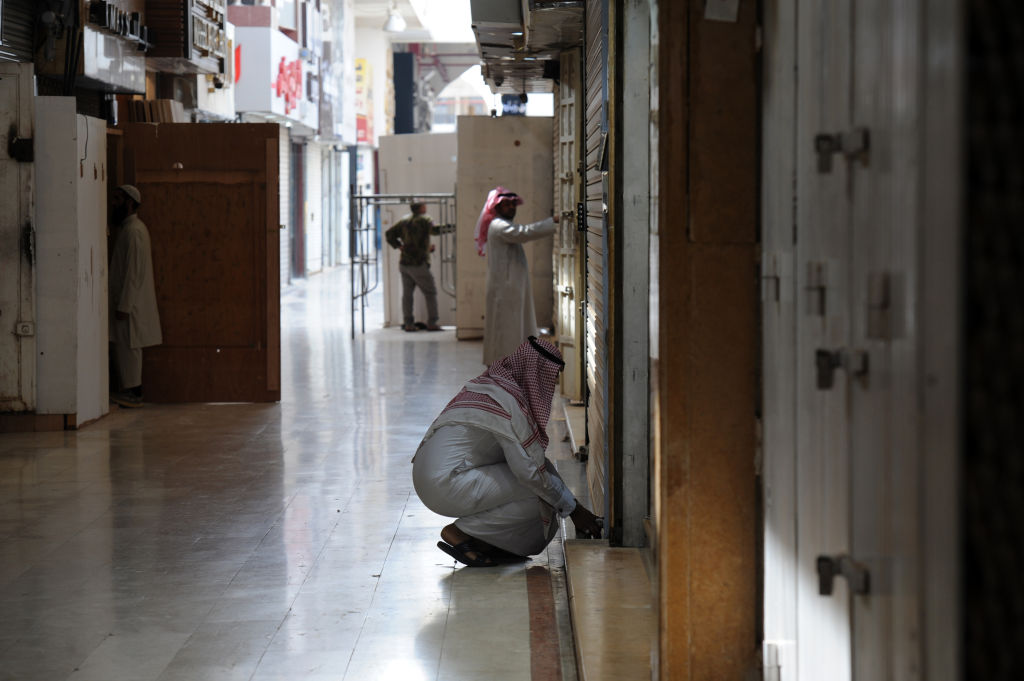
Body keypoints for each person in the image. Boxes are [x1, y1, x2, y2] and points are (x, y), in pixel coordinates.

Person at [413, 336, 602, 567]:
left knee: (547, 478)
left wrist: (570, 503)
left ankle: (485, 541)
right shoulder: (510, 405)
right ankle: (463, 533)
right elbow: (531, 475)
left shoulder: (491, 387)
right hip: (447, 483)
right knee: (539, 494)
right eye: (549, 381)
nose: (549, 390)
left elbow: (539, 466)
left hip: (433, 476)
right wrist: (573, 509)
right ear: (535, 375)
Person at [475, 187, 558, 365]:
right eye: (507, 205)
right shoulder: (499, 226)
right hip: (505, 289)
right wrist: (553, 222)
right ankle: (504, 363)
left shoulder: (501, 225)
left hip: (510, 286)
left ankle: (512, 362)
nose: (512, 208)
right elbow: (524, 233)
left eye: (513, 204)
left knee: (513, 326)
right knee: (507, 328)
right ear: (496, 208)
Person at [108, 184, 162, 408]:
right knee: (126, 347)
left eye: (118, 199)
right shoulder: (129, 230)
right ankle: (131, 391)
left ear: (129, 203)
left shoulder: (134, 232)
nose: (114, 204)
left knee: (130, 347)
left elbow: (133, 273)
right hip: (126, 303)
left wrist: (125, 305)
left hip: (130, 305)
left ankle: (135, 393)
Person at [385, 202, 443, 332]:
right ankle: (432, 322)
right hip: (418, 264)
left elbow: (389, 234)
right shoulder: (425, 219)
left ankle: (409, 324)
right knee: (430, 292)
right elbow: (434, 230)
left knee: (407, 295)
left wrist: (399, 245)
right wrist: (452, 227)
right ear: (421, 208)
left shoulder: (404, 221)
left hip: (404, 263)